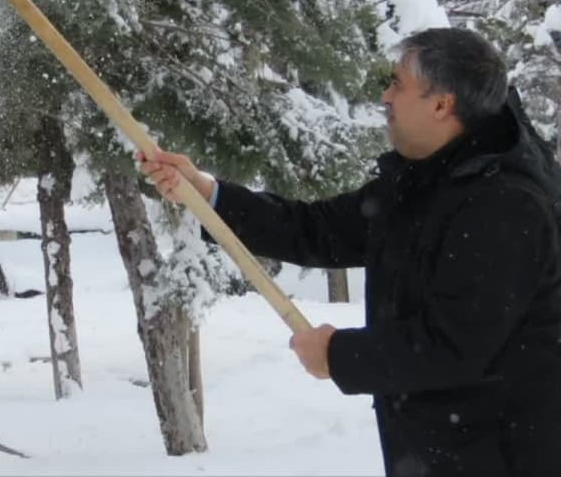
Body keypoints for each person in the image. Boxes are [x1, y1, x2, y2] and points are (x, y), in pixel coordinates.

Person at [140, 27, 561, 477]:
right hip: (449, 449)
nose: (385, 96)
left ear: (442, 105)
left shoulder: (504, 205)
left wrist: (339, 356)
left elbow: (452, 347)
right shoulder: (431, 178)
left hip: (504, 454)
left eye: (398, 84)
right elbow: (316, 229)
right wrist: (209, 195)